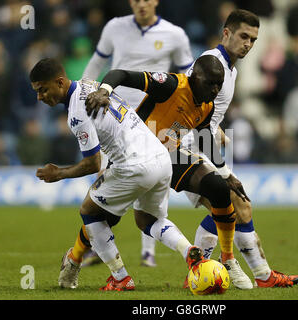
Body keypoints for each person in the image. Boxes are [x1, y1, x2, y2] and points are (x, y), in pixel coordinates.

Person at [30, 58, 204, 291]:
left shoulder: (76, 114)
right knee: (148, 220)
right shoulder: (90, 84)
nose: (40, 97)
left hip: (133, 166)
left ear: (60, 82)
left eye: (42, 90)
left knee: (89, 212)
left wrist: (59, 173)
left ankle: (120, 278)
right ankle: (189, 251)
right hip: (161, 158)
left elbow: (92, 164)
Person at [86, 54, 253, 289]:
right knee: (106, 218)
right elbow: (121, 75)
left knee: (218, 188)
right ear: (195, 76)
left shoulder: (207, 105)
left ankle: (228, 260)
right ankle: (75, 258)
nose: (216, 89)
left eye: (219, 84)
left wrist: (226, 174)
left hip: (168, 154)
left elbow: (204, 138)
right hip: (134, 155)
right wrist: (104, 90)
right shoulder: (170, 85)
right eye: (211, 83)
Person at [181, 9, 298, 288]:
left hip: (198, 142)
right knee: (231, 206)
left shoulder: (229, 68)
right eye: (243, 36)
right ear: (226, 33)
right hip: (186, 146)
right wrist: (223, 170)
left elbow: (199, 109)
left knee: (237, 209)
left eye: (253, 40)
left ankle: (253, 275)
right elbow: (193, 119)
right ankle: (214, 273)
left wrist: (216, 128)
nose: (248, 44)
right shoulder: (212, 64)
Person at [82, 0, 194, 267]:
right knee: (108, 179)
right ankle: (99, 246)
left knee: (154, 178)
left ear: (156, 1)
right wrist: (82, 96)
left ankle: (147, 253)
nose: (141, 4)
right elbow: (96, 64)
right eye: (136, 0)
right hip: (116, 117)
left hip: (155, 118)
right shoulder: (114, 28)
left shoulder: (174, 34)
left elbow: (189, 76)